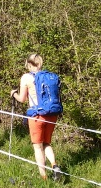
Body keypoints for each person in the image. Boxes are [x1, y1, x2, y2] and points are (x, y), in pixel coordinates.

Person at [10, 53, 62, 181]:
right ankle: (55, 166)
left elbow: (22, 99)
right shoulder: (50, 76)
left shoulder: (26, 78)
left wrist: (14, 94)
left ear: (28, 64)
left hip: (36, 115)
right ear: (40, 63)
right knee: (46, 143)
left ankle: (43, 178)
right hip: (51, 114)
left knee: (37, 146)